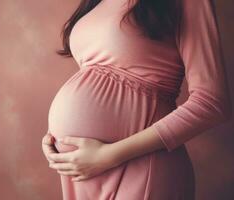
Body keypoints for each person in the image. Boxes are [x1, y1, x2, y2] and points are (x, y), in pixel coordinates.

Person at [41, 0, 232, 199]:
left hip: (141, 167)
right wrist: (56, 141)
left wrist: (110, 155)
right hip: (82, 173)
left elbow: (211, 102)